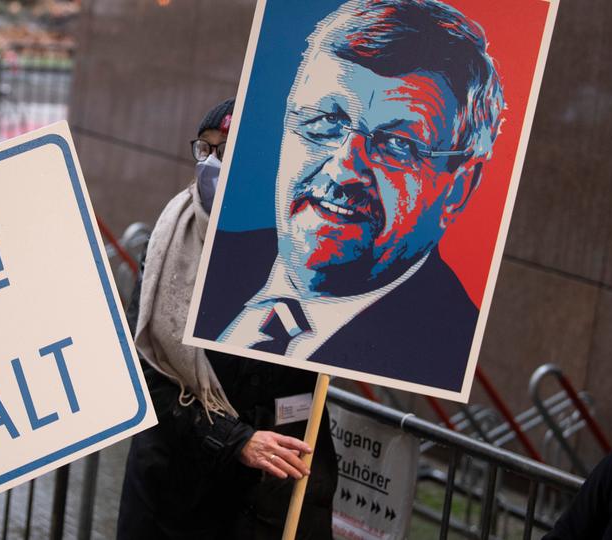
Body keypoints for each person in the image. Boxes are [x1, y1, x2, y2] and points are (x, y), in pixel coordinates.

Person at [194, 0, 506, 392]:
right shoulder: (215, 256)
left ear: (457, 188)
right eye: (325, 121)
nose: (344, 168)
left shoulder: (444, 353)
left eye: (396, 143)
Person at [118, 98, 338, 539]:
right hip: (177, 489)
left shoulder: (322, 237)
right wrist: (234, 439)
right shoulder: (171, 243)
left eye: (231, 149)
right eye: (207, 148)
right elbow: (146, 372)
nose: (215, 162)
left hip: (277, 488)